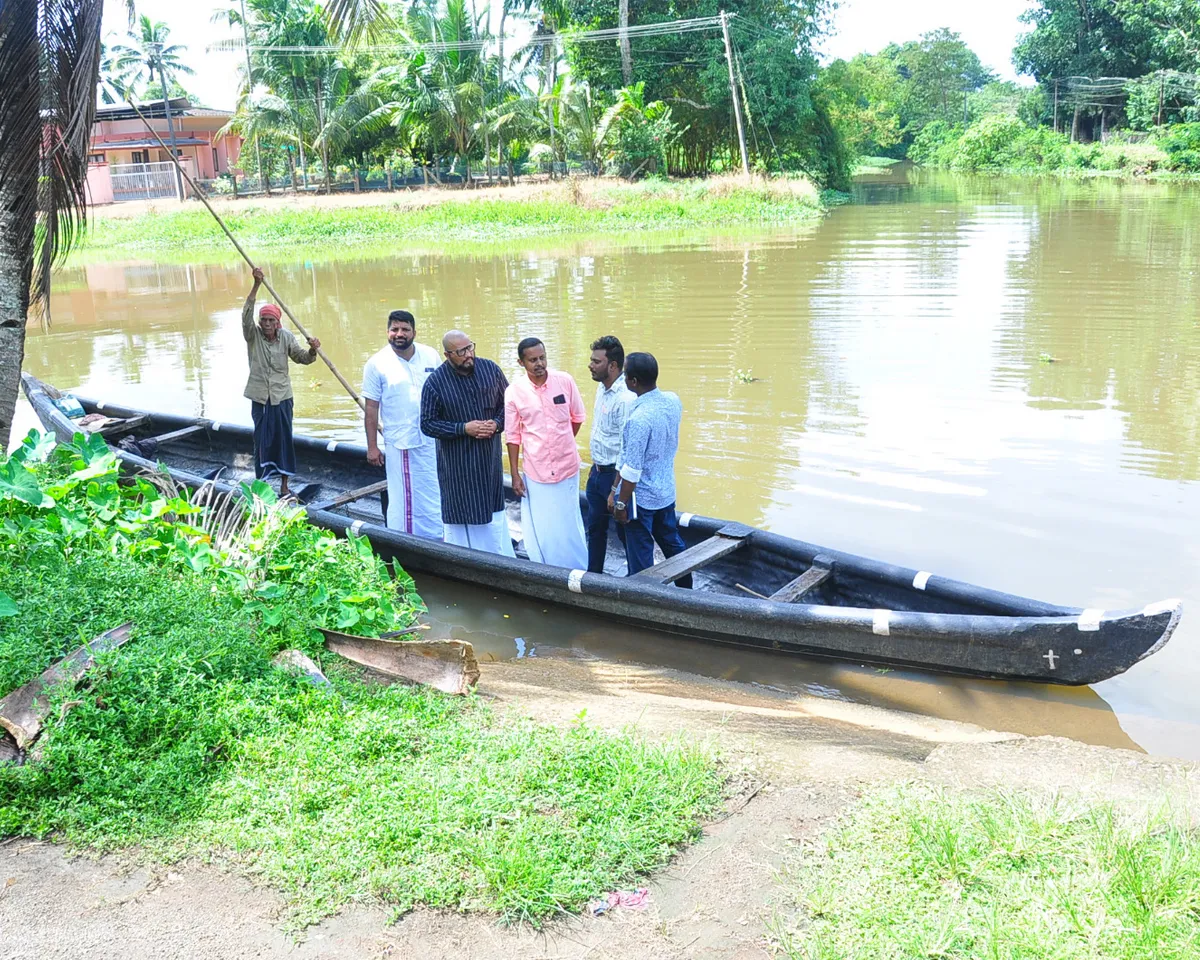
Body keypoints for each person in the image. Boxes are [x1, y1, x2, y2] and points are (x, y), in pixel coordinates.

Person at [420, 331, 515, 556]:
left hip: (488, 460)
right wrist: (463, 428)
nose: (468, 355)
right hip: (458, 466)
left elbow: (510, 405)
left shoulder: (491, 370)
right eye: (461, 352)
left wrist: (496, 423)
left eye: (470, 348)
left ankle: (499, 557)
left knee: (493, 512)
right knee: (462, 514)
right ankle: (465, 559)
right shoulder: (436, 383)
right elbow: (428, 424)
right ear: (447, 354)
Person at [609, 352, 691, 587]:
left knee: (641, 554)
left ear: (633, 382)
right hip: (665, 491)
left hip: (642, 499)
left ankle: (644, 595)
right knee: (673, 544)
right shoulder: (673, 400)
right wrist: (614, 488)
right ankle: (687, 590)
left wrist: (621, 503)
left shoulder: (639, 420)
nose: (623, 378)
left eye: (625, 374)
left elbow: (632, 470)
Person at [504, 338, 588, 569]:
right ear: (521, 362)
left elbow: (577, 418)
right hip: (536, 470)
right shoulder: (514, 392)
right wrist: (515, 474)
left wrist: (561, 443)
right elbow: (512, 436)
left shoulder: (565, 381)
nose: (539, 363)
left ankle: (578, 569)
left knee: (569, 521)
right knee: (545, 524)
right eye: (533, 360)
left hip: (568, 467)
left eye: (542, 357)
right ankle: (547, 568)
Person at [362, 310, 443, 539]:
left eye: (405, 329)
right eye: (395, 329)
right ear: (388, 332)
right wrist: (372, 446)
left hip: (432, 438)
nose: (399, 334)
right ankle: (405, 540)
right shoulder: (377, 364)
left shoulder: (430, 355)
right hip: (402, 442)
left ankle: (439, 537)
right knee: (406, 497)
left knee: (433, 488)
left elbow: (444, 394)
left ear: (414, 332)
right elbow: (371, 409)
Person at [241, 266, 319, 498]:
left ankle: (285, 487)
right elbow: (245, 315)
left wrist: (313, 350)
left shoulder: (286, 337)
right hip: (260, 398)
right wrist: (256, 284)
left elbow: (302, 358)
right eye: (263, 319)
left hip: (282, 397)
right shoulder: (253, 336)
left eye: (270, 320)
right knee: (262, 441)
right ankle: (261, 487)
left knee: (284, 440)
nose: (265, 323)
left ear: (277, 323)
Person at [584, 335, 634, 573]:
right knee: (595, 529)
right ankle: (593, 577)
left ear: (613, 366)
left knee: (626, 533)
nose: (590, 365)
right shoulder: (601, 388)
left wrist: (616, 489)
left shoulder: (625, 398)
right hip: (597, 471)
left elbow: (627, 448)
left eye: (596, 361)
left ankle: (640, 581)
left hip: (615, 476)